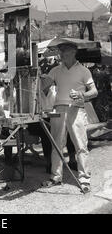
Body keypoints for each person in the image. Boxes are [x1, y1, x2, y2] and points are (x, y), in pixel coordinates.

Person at [41, 42, 98, 193]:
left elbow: (94, 92)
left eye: (64, 50)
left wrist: (82, 95)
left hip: (76, 108)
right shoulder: (55, 70)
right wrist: (41, 79)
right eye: (60, 50)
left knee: (81, 145)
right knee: (56, 145)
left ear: (74, 51)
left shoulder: (84, 71)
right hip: (58, 108)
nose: (61, 52)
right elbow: (42, 87)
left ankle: (85, 179)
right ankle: (56, 177)